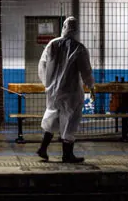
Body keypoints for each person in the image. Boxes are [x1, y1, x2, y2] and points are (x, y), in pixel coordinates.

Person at [36, 16, 95, 163]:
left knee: (52, 118)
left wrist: (47, 84)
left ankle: (43, 148)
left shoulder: (52, 44)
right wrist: (91, 87)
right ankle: (67, 154)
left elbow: (42, 66)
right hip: (71, 92)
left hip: (54, 92)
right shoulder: (79, 48)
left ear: (63, 27)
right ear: (76, 30)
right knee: (70, 120)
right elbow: (86, 71)